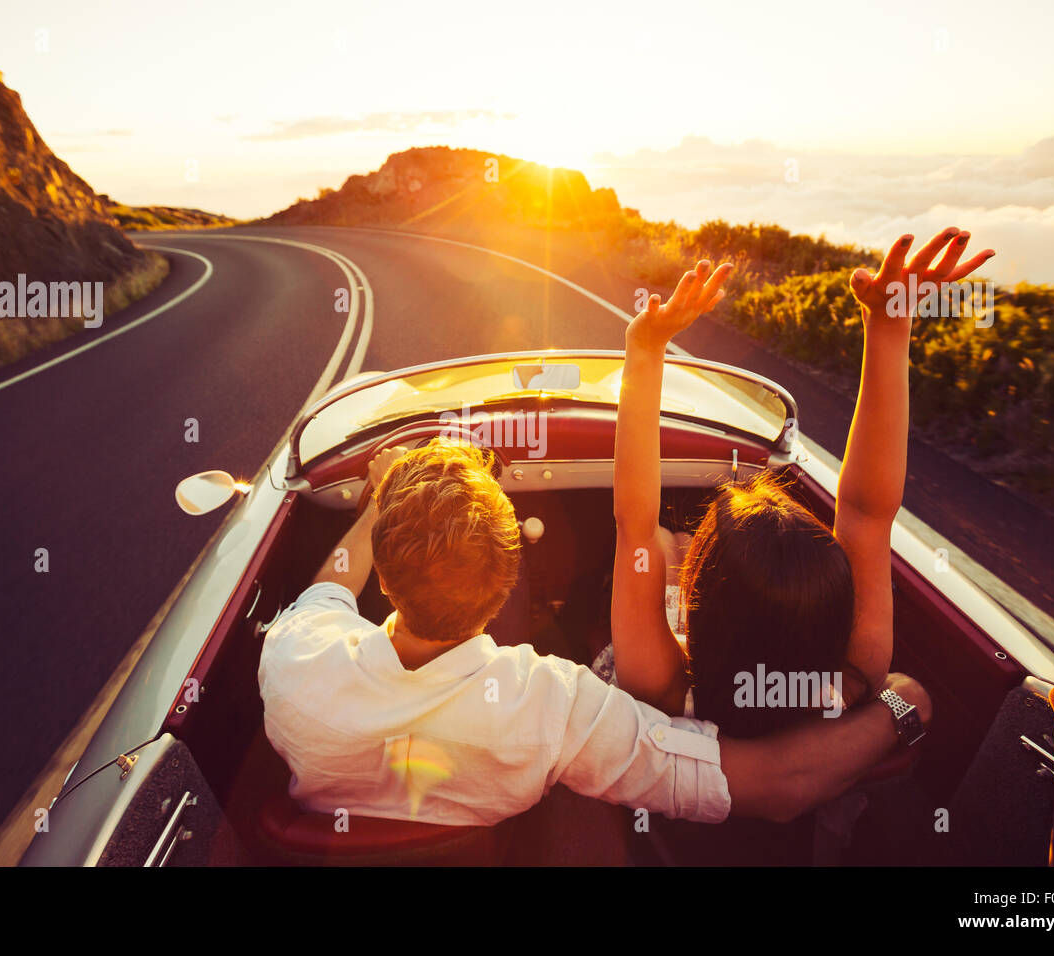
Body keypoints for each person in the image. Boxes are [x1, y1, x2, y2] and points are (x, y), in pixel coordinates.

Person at [258, 437, 932, 833]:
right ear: (508, 580)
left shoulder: (293, 658)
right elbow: (779, 784)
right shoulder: (556, 708)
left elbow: (331, 585)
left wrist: (381, 504)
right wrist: (901, 705)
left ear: (387, 573)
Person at [608, 227, 993, 734]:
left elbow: (635, 525)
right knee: (661, 541)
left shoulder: (661, 687)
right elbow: (866, 515)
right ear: (835, 620)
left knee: (659, 542)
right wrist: (890, 325)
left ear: (694, 606)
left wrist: (645, 347)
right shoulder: (850, 680)